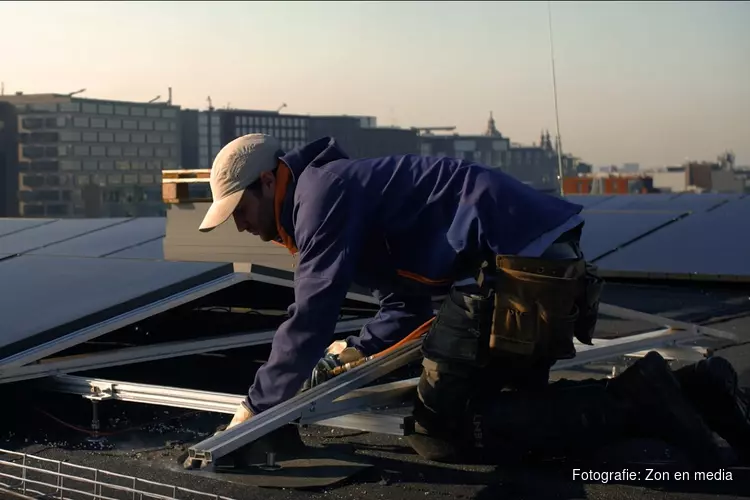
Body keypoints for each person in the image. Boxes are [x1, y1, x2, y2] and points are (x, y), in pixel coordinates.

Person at [198, 134, 750, 466]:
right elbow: (409, 300)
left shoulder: (320, 196)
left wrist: (256, 409)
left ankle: (644, 395)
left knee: (452, 428)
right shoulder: (327, 194)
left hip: (522, 263)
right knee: (492, 404)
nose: (241, 227)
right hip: (528, 258)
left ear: (270, 181)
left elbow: (311, 311)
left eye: (239, 210)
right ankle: (697, 387)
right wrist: (359, 350)